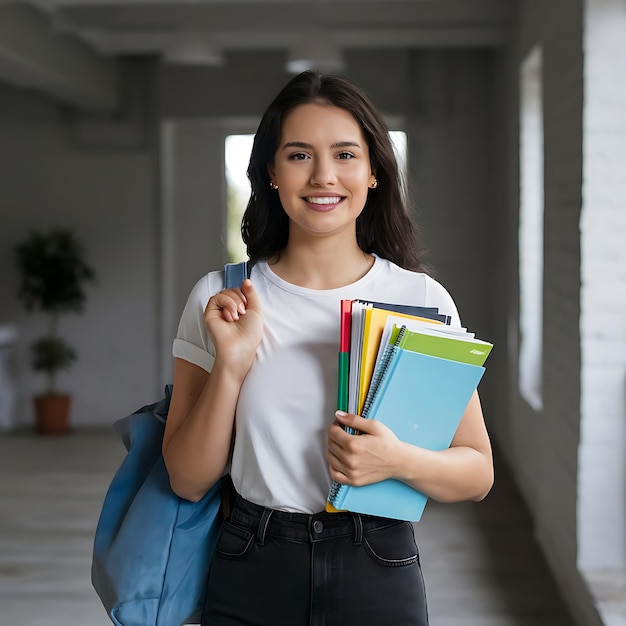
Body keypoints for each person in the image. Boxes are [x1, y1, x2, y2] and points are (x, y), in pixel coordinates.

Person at [162, 69, 494, 626]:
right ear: (269, 172)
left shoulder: (421, 298)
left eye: (344, 154)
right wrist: (232, 366)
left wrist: (396, 461)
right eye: (298, 155)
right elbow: (187, 479)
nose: (323, 176)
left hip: (378, 562)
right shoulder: (220, 297)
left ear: (372, 174)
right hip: (252, 561)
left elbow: (477, 471)